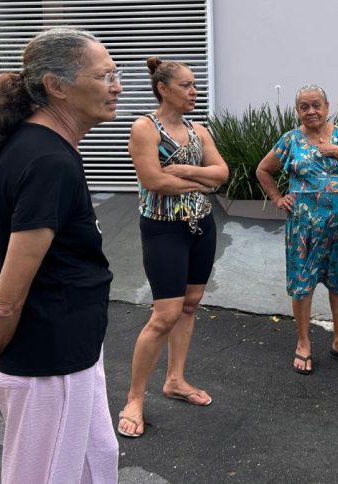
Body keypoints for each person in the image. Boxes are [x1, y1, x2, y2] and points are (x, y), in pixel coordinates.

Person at [0, 27, 121, 482]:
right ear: (56, 86)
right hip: (51, 366)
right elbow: (4, 298)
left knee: (97, 462)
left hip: (71, 355)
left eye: (115, 74)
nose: (117, 86)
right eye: (104, 75)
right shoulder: (47, 162)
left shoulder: (34, 148)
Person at [117, 57, 228, 438]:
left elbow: (222, 173)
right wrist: (202, 183)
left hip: (201, 227)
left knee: (190, 305)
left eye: (194, 84)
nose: (194, 91)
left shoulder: (199, 130)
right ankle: (134, 397)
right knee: (164, 315)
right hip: (163, 230)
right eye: (186, 85)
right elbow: (153, 181)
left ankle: (175, 380)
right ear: (163, 89)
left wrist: (187, 172)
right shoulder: (145, 128)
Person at [256, 84, 338, 375]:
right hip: (304, 228)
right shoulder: (290, 140)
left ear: (327, 106)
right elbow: (263, 170)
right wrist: (277, 198)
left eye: (316, 105)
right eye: (304, 107)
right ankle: (303, 343)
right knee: (302, 285)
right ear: (297, 111)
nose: (311, 111)